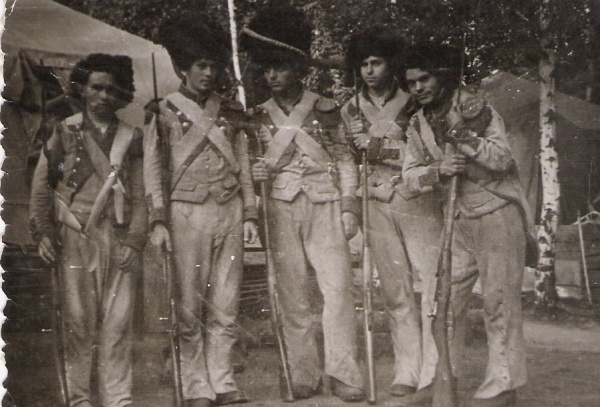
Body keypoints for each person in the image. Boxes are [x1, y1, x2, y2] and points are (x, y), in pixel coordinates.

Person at [401, 44, 538, 407]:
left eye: (425, 78)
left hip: (496, 212)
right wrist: (438, 170)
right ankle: (439, 379)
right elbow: (409, 177)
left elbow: (503, 158)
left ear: (443, 76)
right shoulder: (416, 122)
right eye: (411, 82)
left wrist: (464, 138)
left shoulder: (476, 109)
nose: (418, 87)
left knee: (498, 301)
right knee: (443, 302)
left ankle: (502, 386)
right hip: (455, 219)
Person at [241, 5, 365, 402]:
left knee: (338, 290)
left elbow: (344, 159)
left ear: (297, 68)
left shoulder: (324, 108)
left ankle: (343, 372)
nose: (272, 76)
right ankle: (303, 373)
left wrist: (349, 205)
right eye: (267, 69)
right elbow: (249, 167)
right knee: (291, 295)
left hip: (325, 202)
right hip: (279, 206)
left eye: (279, 67)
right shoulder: (256, 116)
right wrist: (258, 172)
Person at [144, 14, 259, 407]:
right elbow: (153, 169)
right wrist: (158, 219)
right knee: (189, 306)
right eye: (201, 66)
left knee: (226, 303)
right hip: (185, 213)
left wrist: (250, 213)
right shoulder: (162, 110)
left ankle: (223, 381)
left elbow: (244, 165)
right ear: (184, 67)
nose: (209, 73)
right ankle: (196, 386)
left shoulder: (231, 111)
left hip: (229, 208)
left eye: (213, 66)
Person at [30, 53, 146, 407]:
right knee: (78, 321)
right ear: (82, 89)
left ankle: (117, 397)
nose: (103, 96)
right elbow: (43, 186)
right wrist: (43, 232)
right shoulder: (64, 131)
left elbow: (141, 193)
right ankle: (79, 397)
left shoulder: (131, 137)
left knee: (118, 322)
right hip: (75, 236)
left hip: (118, 235)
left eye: (111, 89)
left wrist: (135, 240)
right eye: (96, 87)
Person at [340, 27, 444, 400]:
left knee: (431, 283)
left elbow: (428, 154)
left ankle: (434, 370)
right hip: (375, 202)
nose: (369, 71)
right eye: (363, 64)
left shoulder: (413, 102)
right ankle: (407, 368)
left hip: (417, 199)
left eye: (377, 62)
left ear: (391, 64)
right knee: (395, 291)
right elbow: (347, 161)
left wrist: (377, 147)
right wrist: (349, 203)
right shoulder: (349, 109)